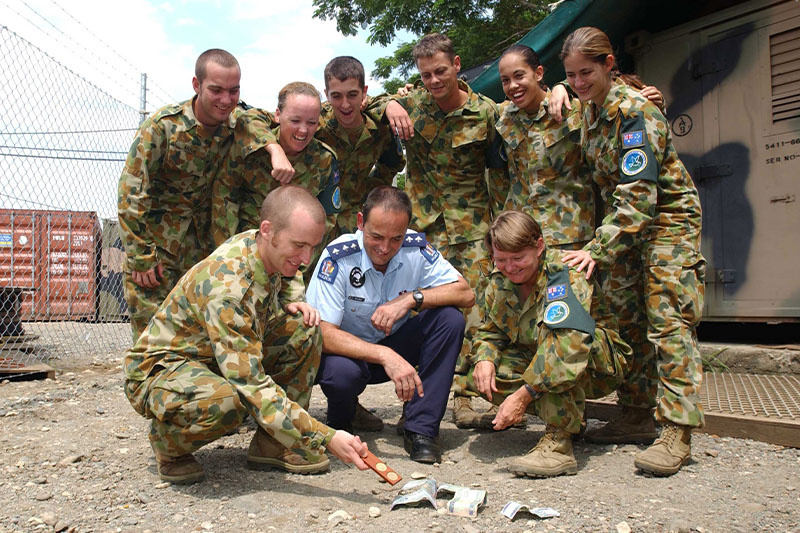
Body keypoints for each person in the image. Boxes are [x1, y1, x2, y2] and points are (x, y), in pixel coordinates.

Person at [123, 186, 369, 484]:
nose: (306, 258)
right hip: (165, 368)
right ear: (268, 230)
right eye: (299, 245)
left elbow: (288, 276)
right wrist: (325, 437)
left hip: (215, 356)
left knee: (304, 328)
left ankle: (274, 443)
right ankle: (168, 443)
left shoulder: (262, 244)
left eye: (312, 247)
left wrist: (294, 297)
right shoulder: (230, 291)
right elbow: (251, 385)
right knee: (229, 401)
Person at [559, 26, 706, 476]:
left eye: (587, 72)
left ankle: (677, 430)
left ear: (608, 65)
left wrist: (595, 250)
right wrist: (556, 93)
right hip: (624, 230)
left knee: (667, 320)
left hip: (665, 223)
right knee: (626, 320)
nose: (579, 83)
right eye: (571, 76)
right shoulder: (589, 110)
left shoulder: (635, 110)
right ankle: (637, 414)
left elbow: (639, 195)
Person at [380, 32, 509, 427]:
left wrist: (500, 229)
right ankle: (418, 398)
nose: (434, 81)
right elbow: (361, 102)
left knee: (472, 311)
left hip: (471, 228)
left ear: (456, 65)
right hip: (422, 231)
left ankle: (464, 398)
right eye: (425, 75)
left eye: (440, 72)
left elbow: (499, 174)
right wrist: (388, 104)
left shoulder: (486, 113)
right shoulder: (412, 106)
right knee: (420, 311)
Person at [454, 211, 630, 477]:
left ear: (538, 247)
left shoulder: (564, 274)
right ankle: (570, 417)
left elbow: (567, 348)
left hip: (592, 361)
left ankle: (559, 444)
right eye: (501, 260)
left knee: (555, 342)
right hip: (543, 356)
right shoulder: (499, 280)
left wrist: (522, 397)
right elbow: (491, 331)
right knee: (477, 373)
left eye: (518, 258)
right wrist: (484, 359)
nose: (509, 267)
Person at [306, 186, 475, 464]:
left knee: (449, 319)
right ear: (361, 223)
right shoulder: (338, 256)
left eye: (396, 238)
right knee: (340, 373)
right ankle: (341, 419)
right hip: (350, 355)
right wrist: (386, 356)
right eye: (376, 237)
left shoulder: (415, 249)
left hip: (396, 342)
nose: (385, 248)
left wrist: (412, 299)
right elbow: (322, 334)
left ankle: (421, 429)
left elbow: (465, 293)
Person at [118, 48, 242, 341]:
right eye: (216, 90)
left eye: (233, 91)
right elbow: (131, 194)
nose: (226, 100)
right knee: (153, 347)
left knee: (195, 349)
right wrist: (140, 257)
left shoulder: (238, 126)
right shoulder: (163, 128)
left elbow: (280, 121)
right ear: (197, 86)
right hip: (157, 257)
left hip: (204, 258)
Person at [317, 56, 406, 236]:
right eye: (336, 96)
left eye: (352, 94)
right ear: (326, 94)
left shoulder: (380, 127)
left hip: (358, 224)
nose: (345, 104)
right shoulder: (314, 124)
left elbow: (392, 164)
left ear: (364, 92)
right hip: (317, 223)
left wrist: (370, 192)